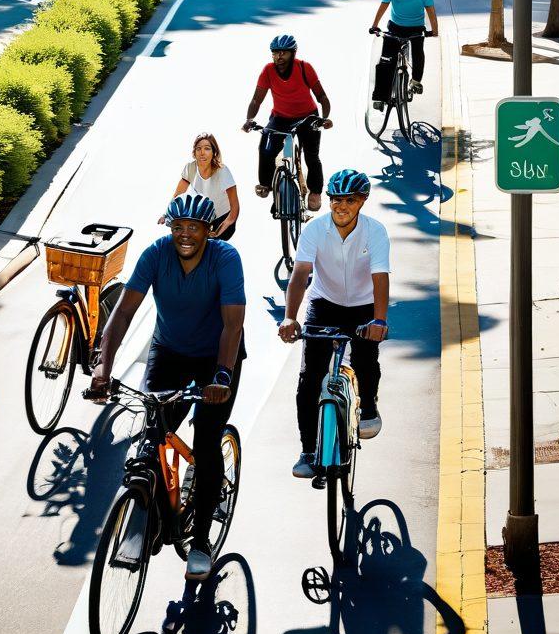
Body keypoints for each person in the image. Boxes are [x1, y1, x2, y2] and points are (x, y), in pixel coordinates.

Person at [90, 193, 246, 581]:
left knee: (206, 443)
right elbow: (123, 313)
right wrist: (103, 371)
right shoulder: (156, 255)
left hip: (216, 358)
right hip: (169, 351)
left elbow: (232, 326)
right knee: (152, 437)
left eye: (194, 227)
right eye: (178, 227)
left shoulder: (225, 259)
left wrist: (222, 376)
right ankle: (145, 521)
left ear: (209, 231)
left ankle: (201, 541)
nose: (185, 234)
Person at [279, 169, 390, 478]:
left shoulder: (375, 232)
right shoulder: (315, 230)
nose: (342, 206)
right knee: (309, 379)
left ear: (362, 201)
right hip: (324, 303)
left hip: (363, 305)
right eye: (336, 200)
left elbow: (380, 277)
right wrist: (290, 316)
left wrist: (379, 320)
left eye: (350, 200)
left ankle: (368, 405)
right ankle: (308, 450)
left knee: (366, 361)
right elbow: (300, 275)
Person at [242, 33, 332, 211]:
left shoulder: (305, 68)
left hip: (307, 117)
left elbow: (322, 97)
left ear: (293, 53)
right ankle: (266, 184)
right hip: (280, 117)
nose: (279, 56)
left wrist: (323, 119)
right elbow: (256, 100)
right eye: (275, 53)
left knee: (312, 156)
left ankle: (315, 191)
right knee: (265, 145)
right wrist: (249, 119)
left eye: (284, 52)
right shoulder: (268, 70)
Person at [370, 0, 438, 106]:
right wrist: (374, 25)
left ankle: (416, 81)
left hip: (416, 27)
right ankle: (380, 97)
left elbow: (430, 9)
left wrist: (434, 30)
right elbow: (384, 5)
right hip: (396, 27)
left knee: (418, 52)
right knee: (386, 60)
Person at [159, 133, 240, 241]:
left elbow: (234, 209)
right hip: (205, 217)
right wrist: (166, 215)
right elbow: (178, 195)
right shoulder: (190, 168)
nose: (202, 153)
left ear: (214, 152)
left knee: (210, 244)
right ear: (194, 152)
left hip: (225, 219)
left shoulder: (222, 171)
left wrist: (217, 233)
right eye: (198, 149)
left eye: (207, 148)